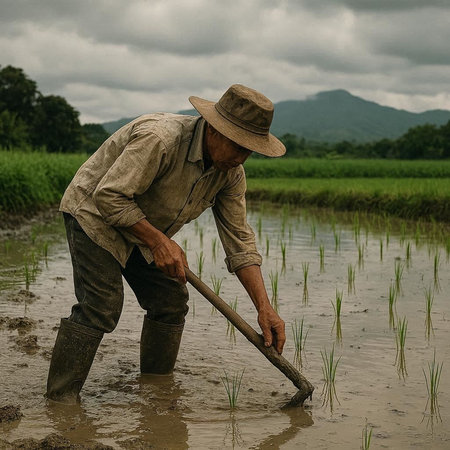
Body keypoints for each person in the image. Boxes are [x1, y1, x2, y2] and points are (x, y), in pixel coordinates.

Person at [46, 84, 287, 404]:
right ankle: (60, 399)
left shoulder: (230, 174)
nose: (241, 158)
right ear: (215, 130)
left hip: (142, 227)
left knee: (171, 300)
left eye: (249, 151)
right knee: (101, 306)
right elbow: (109, 197)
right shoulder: (160, 139)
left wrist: (264, 307)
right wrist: (159, 242)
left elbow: (240, 241)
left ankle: (156, 390)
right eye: (238, 146)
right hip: (94, 215)